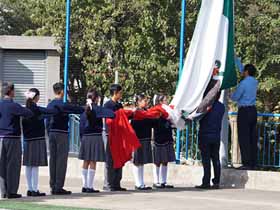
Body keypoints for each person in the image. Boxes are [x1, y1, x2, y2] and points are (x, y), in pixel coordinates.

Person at [46, 82, 84, 195]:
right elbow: (78, 109)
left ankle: (53, 185)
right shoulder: (63, 105)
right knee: (61, 161)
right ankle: (58, 186)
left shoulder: (50, 105)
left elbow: (47, 121)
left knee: (53, 160)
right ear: (61, 91)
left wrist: (49, 132)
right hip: (61, 133)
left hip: (52, 133)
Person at [22, 88, 59, 197]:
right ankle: (34, 189)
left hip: (27, 140)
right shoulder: (36, 108)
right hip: (37, 139)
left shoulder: (26, 109)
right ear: (36, 97)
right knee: (35, 165)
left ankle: (30, 188)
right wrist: (55, 108)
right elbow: (51, 112)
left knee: (29, 165)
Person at [0, 82, 33, 199]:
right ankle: (12, 191)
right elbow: (29, 113)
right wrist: (28, 100)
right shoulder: (13, 105)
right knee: (13, 165)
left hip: (1, 138)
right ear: (11, 91)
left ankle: (3, 191)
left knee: (2, 166)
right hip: (12, 138)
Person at [79, 88, 114, 193]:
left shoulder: (84, 109)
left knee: (86, 161)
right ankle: (90, 186)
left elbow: (81, 126)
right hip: (95, 137)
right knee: (93, 161)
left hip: (85, 137)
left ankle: (85, 185)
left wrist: (82, 138)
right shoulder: (98, 109)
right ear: (97, 98)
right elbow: (112, 114)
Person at [195, 92, 225, 189]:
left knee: (206, 160)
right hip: (216, 135)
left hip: (205, 135)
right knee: (216, 159)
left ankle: (206, 182)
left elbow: (196, 116)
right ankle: (216, 181)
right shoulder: (221, 107)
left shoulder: (205, 106)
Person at [231, 64, 258, 169]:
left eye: (243, 71)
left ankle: (246, 163)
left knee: (244, 137)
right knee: (252, 137)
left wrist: (230, 95)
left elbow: (236, 97)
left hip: (244, 112)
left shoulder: (244, 83)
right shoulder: (255, 82)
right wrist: (237, 61)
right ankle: (253, 163)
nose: (242, 72)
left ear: (246, 72)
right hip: (253, 110)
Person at [103, 84, 127, 191]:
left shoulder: (119, 105)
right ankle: (108, 183)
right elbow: (108, 119)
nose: (121, 95)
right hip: (110, 135)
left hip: (119, 135)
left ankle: (117, 183)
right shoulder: (108, 105)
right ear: (115, 93)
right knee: (110, 160)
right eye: (120, 93)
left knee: (119, 158)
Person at [131, 94, 156, 190]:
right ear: (138, 102)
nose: (146, 102)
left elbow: (152, 123)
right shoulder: (135, 112)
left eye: (146, 101)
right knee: (137, 161)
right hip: (137, 138)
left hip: (145, 138)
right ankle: (138, 183)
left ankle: (141, 183)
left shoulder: (147, 112)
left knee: (142, 162)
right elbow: (134, 125)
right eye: (144, 101)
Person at [152, 94, 175, 189]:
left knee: (165, 160)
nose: (167, 101)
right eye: (165, 100)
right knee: (157, 161)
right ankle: (156, 181)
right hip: (158, 138)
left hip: (167, 137)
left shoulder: (168, 111)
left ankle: (163, 181)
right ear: (160, 102)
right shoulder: (156, 111)